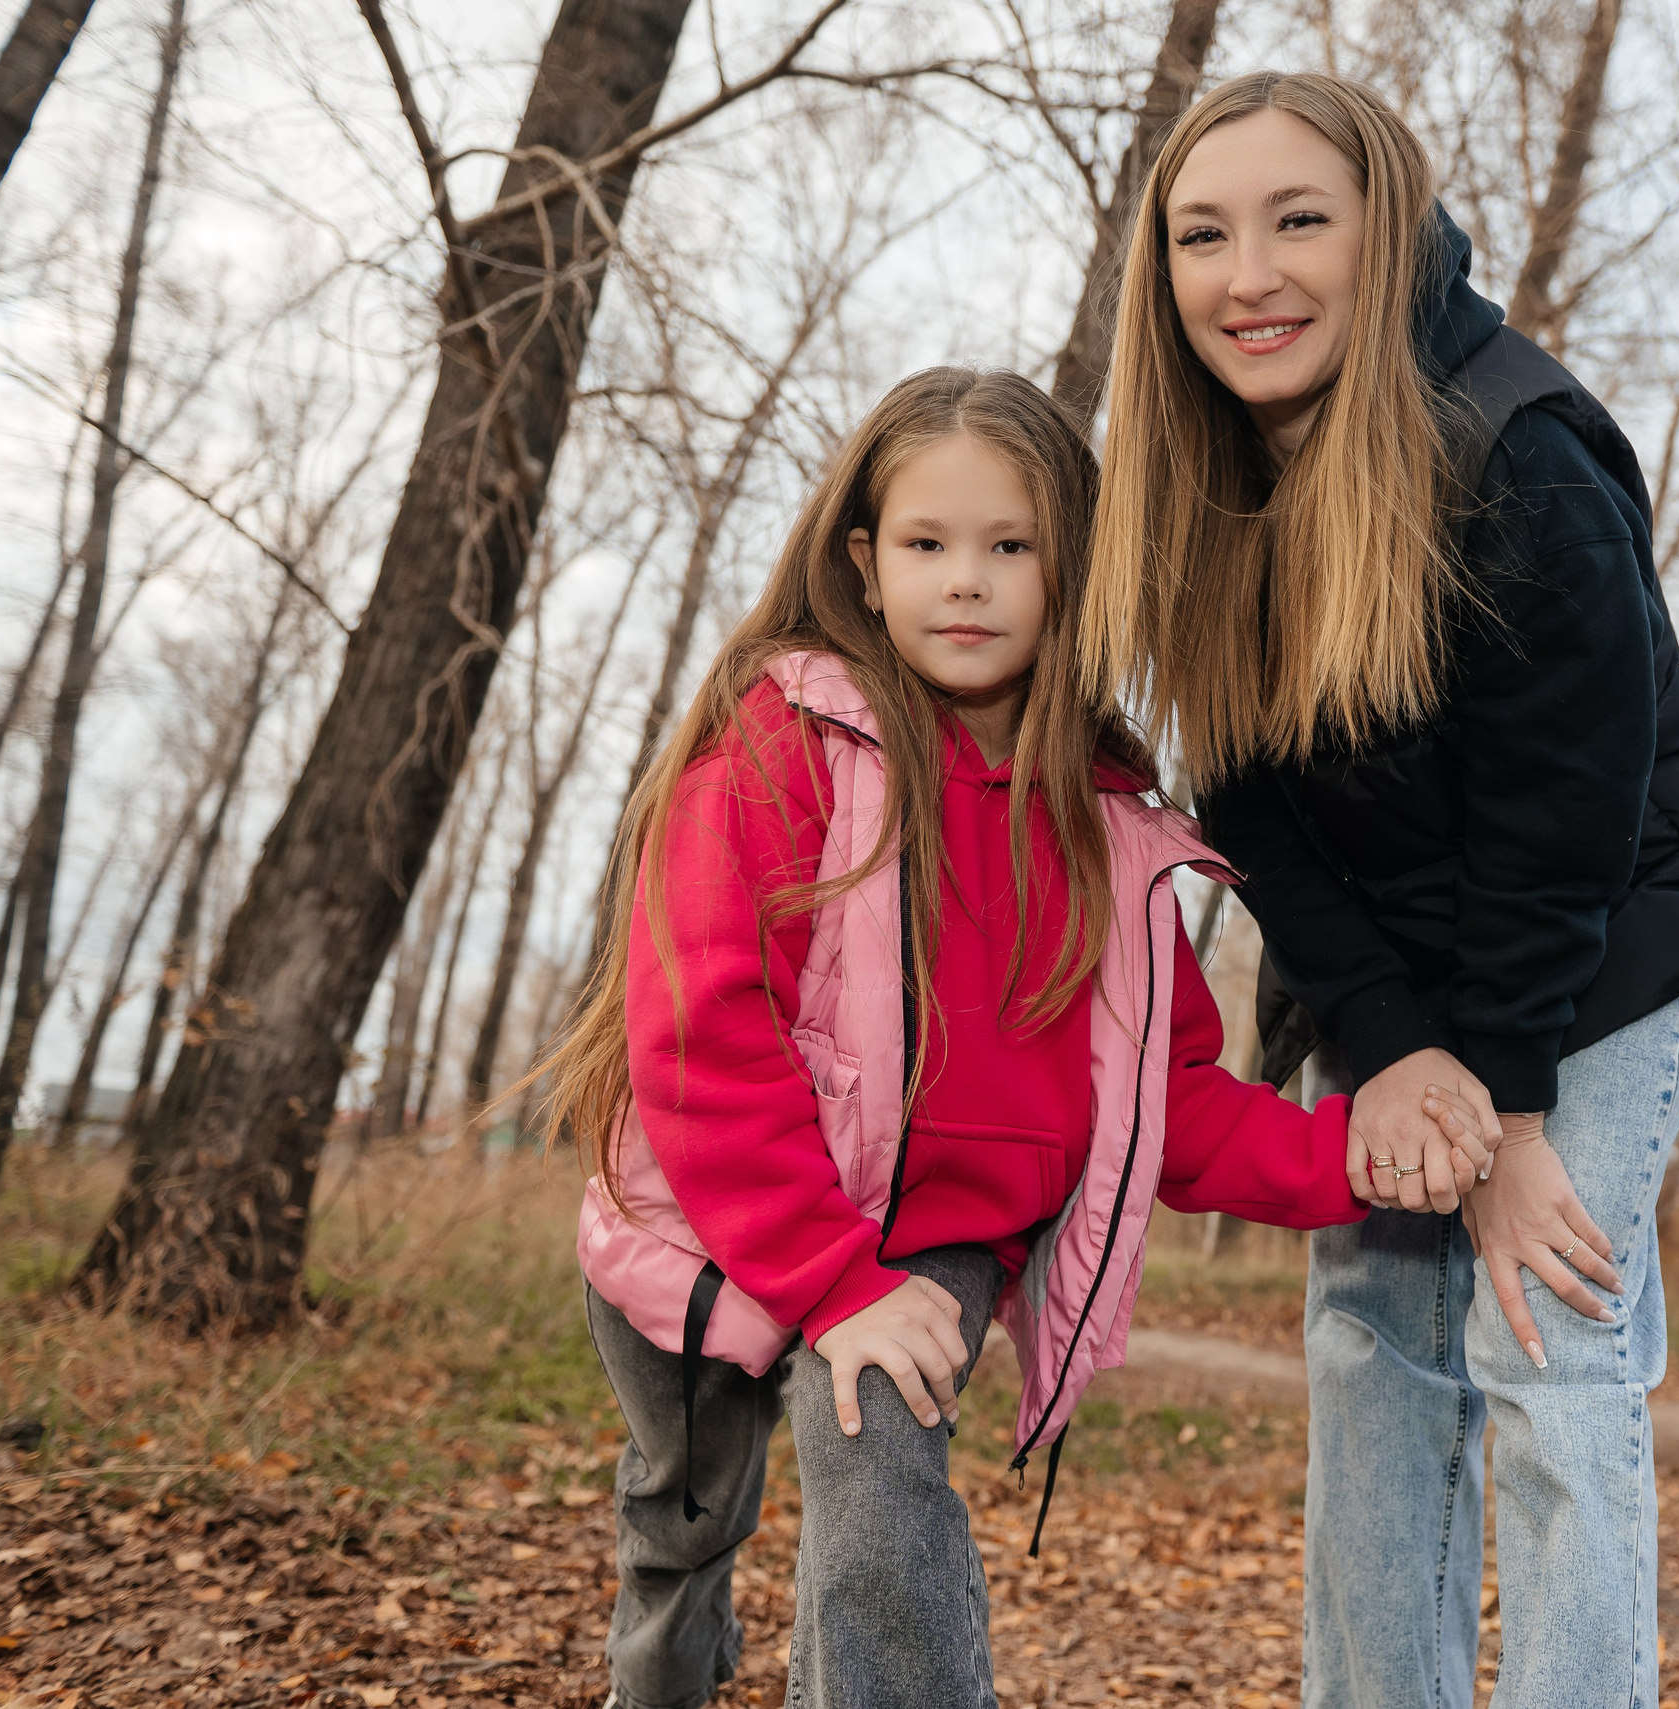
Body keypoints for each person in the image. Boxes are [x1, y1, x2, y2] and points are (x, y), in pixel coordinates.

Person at [542, 367, 1477, 1709]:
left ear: (1071, 570)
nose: (965, 581)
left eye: (1010, 546)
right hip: (713, 1217)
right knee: (683, 1522)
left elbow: (1173, 1102)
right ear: (866, 563)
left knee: (875, 1476)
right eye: (928, 544)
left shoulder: (1107, 829)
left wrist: (1363, 1158)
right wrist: (825, 1271)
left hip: (933, 1238)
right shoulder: (780, 754)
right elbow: (702, 1034)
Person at [1079, 72, 1679, 1709]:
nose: (1253, 275)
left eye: (1300, 220)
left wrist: (1507, 1109)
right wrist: (1387, 1039)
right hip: (1388, 952)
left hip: (1602, 938)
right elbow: (1248, 797)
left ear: (1383, 234)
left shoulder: (1522, 464)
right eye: (1204, 235)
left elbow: (1561, 821)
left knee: (1546, 1334)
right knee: (1372, 1337)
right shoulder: (1193, 479)